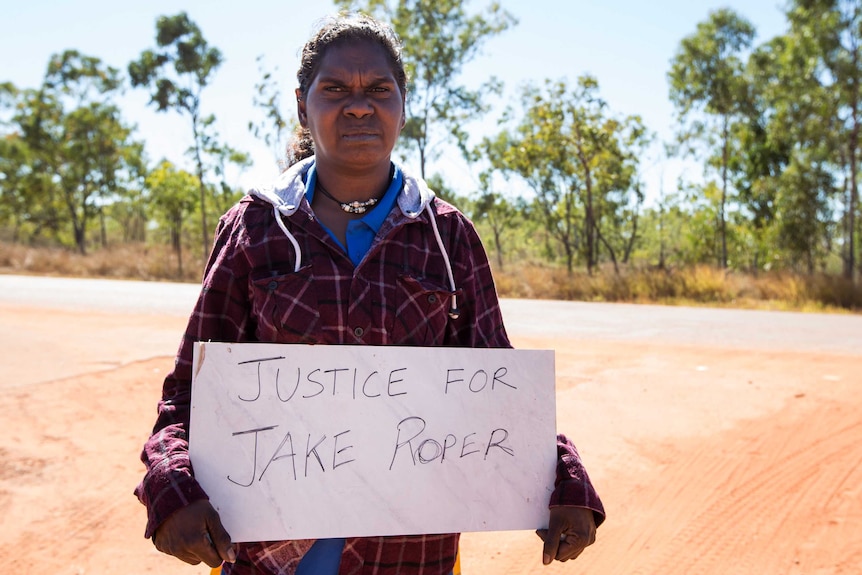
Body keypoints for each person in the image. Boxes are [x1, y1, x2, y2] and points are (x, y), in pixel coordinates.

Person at [135, 13, 605, 575]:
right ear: (303, 105)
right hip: (269, 559)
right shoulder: (256, 230)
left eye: (379, 89)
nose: (359, 105)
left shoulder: (446, 236)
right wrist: (171, 487)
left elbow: (496, 392)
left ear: (402, 104)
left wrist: (565, 480)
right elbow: (188, 394)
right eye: (335, 89)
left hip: (413, 556)